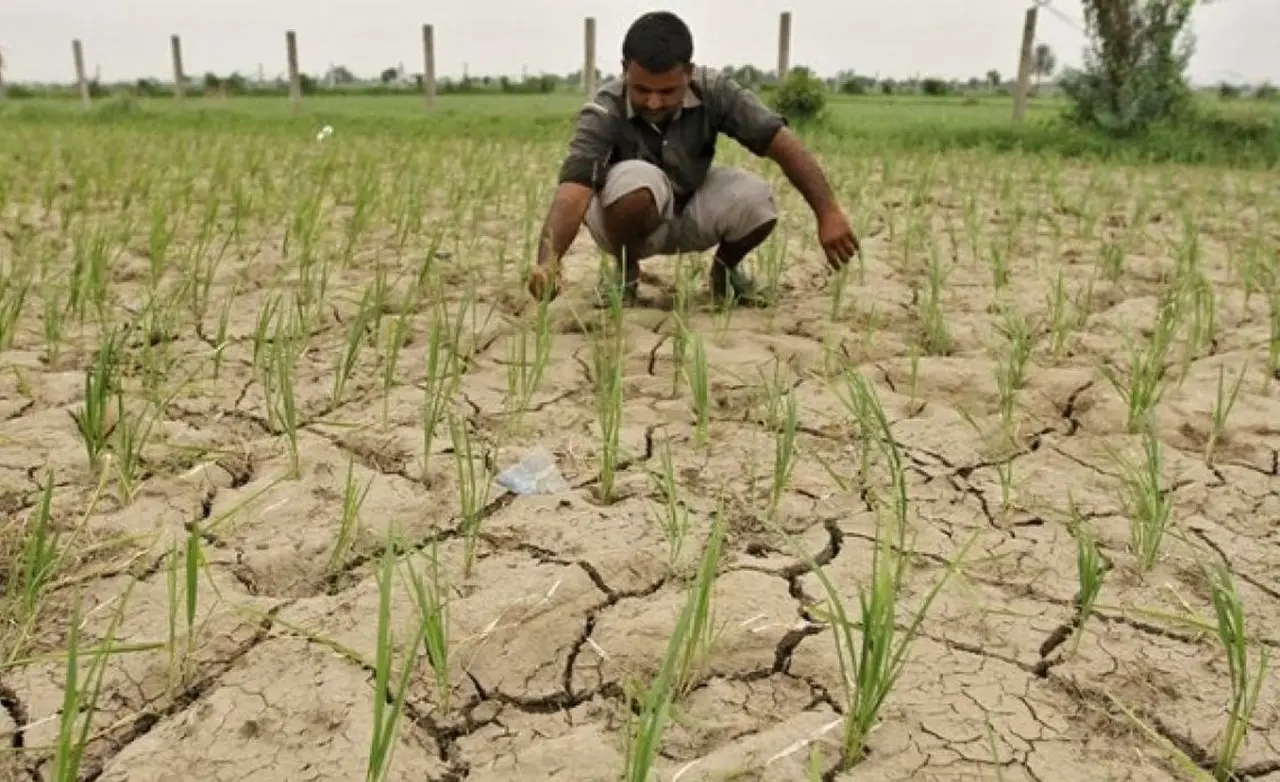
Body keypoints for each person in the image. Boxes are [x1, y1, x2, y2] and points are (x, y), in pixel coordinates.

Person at [526, 10, 859, 307]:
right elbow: (573, 191)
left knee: (757, 199)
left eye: (667, 92)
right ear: (625, 69)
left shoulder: (715, 90)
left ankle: (724, 275)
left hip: (688, 206)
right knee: (638, 180)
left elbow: (782, 144)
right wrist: (548, 262)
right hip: (622, 217)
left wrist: (828, 213)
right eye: (642, 90)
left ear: (688, 73)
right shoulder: (604, 108)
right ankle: (625, 275)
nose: (654, 103)